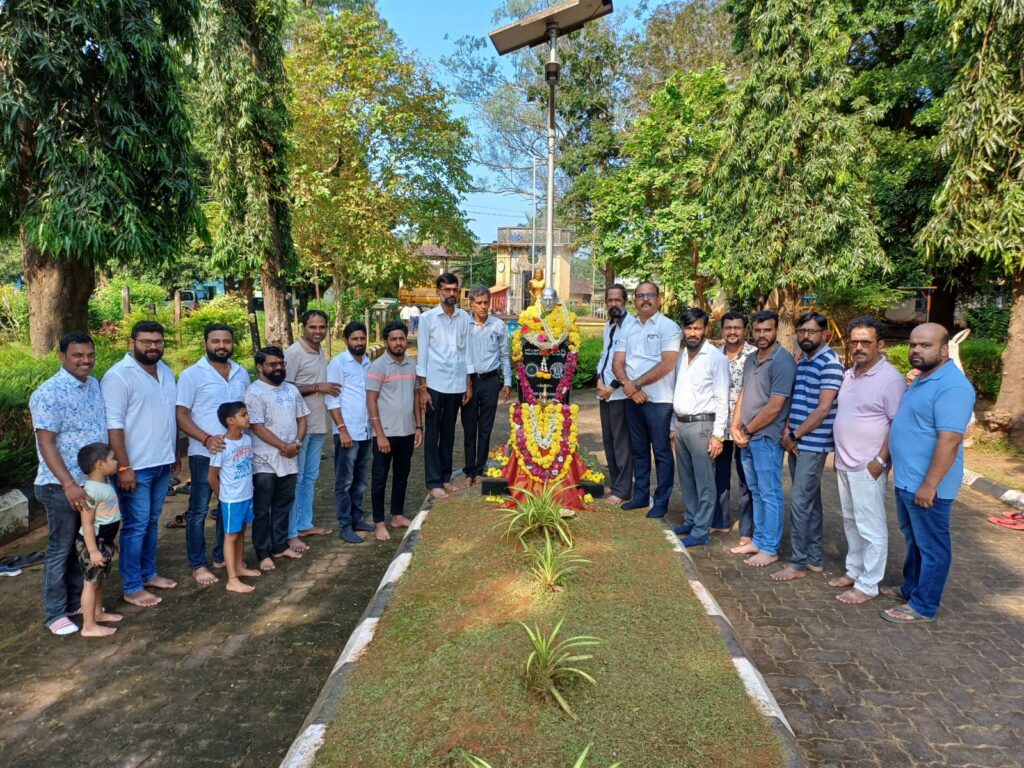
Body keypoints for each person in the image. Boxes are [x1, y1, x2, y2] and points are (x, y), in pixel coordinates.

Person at [883, 323, 975, 623]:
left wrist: (930, 484)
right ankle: (911, 588)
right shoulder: (925, 379)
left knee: (933, 546)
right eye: (913, 345)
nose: (916, 350)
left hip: (929, 487)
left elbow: (950, 440)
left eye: (925, 345)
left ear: (944, 349)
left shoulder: (954, 386)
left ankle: (924, 605)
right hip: (909, 481)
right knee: (915, 539)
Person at [30, 332, 107, 636]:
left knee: (82, 545)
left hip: (90, 483)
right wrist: (68, 484)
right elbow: (47, 443)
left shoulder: (94, 385)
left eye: (89, 355)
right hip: (60, 485)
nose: (85, 360)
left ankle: (78, 601)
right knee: (60, 548)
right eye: (77, 355)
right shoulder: (48, 393)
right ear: (62, 357)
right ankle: (54, 613)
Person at [101, 320, 178, 608]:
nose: (153, 346)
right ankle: (132, 587)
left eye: (157, 341)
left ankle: (148, 574)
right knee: (135, 526)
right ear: (132, 342)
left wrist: (172, 456)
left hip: (161, 463)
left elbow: (166, 417)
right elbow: (114, 426)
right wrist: (123, 467)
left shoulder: (166, 372)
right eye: (146, 341)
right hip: (135, 467)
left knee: (150, 522)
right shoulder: (119, 376)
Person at [830, 316, 907, 605]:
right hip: (844, 462)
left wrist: (880, 459)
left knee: (871, 526)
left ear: (880, 344)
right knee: (851, 521)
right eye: (855, 342)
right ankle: (854, 570)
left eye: (866, 342)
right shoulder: (850, 374)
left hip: (868, 465)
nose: (859, 347)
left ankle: (868, 584)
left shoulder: (891, 380)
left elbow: (896, 424)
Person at [176, 324, 251, 587]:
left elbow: (246, 412)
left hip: (235, 455)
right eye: (216, 341)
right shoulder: (191, 375)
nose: (222, 346)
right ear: (205, 343)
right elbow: (182, 415)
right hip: (203, 453)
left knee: (227, 506)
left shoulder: (242, 372)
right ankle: (198, 564)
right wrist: (206, 439)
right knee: (198, 510)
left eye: (227, 341)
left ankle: (223, 557)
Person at [773, 312, 844, 582]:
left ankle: (797, 563)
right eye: (802, 331)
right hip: (797, 441)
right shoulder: (803, 361)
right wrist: (789, 430)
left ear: (824, 334)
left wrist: (795, 434)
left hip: (812, 444)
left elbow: (824, 408)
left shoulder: (829, 363)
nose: (805, 336)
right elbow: (797, 399)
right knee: (811, 501)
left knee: (800, 502)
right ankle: (814, 558)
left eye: (811, 332)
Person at [730, 311, 797, 567]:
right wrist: (736, 425)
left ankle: (770, 548)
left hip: (766, 438)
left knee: (770, 493)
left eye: (767, 330)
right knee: (756, 491)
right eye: (757, 331)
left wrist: (748, 431)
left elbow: (775, 406)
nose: (762, 335)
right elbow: (745, 393)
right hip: (747, 437)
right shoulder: (750, 359)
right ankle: (758, 540)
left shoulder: (783, 362)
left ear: (776, 330)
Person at [612, 281, 681, 517]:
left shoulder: (668, 327)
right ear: (634, 301)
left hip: (659, 401)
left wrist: (635, 385)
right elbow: (617, 362)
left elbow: (668, 363)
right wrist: (630, 389)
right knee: (639, 450)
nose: (645, 299)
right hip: (632, 399)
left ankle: (661, 501)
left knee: (661, 452)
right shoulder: (627, 328)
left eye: (650, 295)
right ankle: (641, 495)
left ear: (659, 299)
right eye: (640, 296)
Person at [246, 347, 309, 570]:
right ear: (260, 367)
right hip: (264, 459)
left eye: (281, 364)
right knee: (262, 509)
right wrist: (284, 446)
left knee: (283, 504)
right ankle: (263, 553)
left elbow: (302, 419)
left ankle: (280, 546)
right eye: (273, 364)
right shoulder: (254, 392)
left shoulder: (291, 390)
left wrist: (297, 444)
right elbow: (257, 426)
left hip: (290, 457)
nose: (278, 368)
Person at [671, 308, 730, 547]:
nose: (693, 332)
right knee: (686, 478)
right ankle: (691, 519)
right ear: (683, 330)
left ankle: (701, 530)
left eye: (697, 328)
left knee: (704, 481)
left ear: (705, 329)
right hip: (682, 425)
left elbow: (721, 398)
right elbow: (677, 390)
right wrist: (672, 425)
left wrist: (718, 435)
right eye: (689, 328)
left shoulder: (716, 358)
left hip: (703, 426)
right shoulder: (681, 357)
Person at [416, 273, 473, 499]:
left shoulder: (464, 318)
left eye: (454, 290)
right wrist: (423, 388)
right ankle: (433, 482)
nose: (451, 294)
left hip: (456, 383)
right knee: (433, 434)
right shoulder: (428, 319)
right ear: (438, 291)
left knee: (449, 434)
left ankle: (445, 477)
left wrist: (468, 383)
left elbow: (466, 351)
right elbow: (422, 355)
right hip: (434, 384)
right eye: (447, 290)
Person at [284, 310, 336, 550]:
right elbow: (285, 388)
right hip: (299, 428)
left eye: (322, 327)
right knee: (298, 478)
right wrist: (318, 387)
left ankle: (305, 523)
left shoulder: (319, 351)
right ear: (303, 327)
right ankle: (291, 530)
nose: (317, 331)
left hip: (318, 425)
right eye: (313, 327)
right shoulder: (293, 353)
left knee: (311, 477)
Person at [366, 322, 422, 540]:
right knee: (379, 478)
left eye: (401, 338)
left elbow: (416, 397)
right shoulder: (378, 366)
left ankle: (397, 515)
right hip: (385, 435)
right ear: (387, 341)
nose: (398, 343)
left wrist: (419, 426)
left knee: (402, 475)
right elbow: (371, 401)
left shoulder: (411, 364)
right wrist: (379, 434)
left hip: (407, 432)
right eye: (393, 339)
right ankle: (379, 522)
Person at [326, 322, 373, 543]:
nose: (359, 343)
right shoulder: (338, 363)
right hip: (347, 432)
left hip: (365, 431)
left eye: (362, 338)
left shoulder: (368, 363)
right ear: (346, 340)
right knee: (344, 482)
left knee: (360, 480)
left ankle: (357, 518)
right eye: (355, 339)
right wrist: (342, 430)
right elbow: (332, 400)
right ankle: (345, 525)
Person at [208, 402, 261, 593]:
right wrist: (223, 497)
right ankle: (232, 579)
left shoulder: (246, 440)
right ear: (231, 421)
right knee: (230, 536)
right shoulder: (222, 446)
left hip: (246, 494)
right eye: (243, 415)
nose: (248, 418)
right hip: (231, 499)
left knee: (240, 532)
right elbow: (212, 476)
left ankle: (239, 566)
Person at [462, 285, 512, 486]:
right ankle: (468, 470)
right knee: (469, 428)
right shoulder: (464, 325)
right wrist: (466, 381)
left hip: (491, 381)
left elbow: (505, 355)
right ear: (471, 304)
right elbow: (460, 354)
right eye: (479, 303)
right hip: (469, 381)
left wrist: (507, 381)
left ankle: (480, 469)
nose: (483, 307)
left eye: (486, 302)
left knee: (485, 428)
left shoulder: (498, 325)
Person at [713, 312, 756, 542]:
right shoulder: (714, 355)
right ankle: (719, 521)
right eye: (728, 327)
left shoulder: (754, 355)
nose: (732, 332)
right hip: (719, 426)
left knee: (746, 478)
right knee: (718, 476)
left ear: (744, 330)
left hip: (744, 427)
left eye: (737, 327)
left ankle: (747, 530)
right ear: (722, 330)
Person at [74, 443, 123, 637]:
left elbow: (108, 516)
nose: (116, 461)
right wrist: (92, 551)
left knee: (99, 580)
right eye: (113, 459)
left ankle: (98, 613)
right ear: (100, 464)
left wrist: (113, 539)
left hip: (105, 541)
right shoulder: (92, 490)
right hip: (93, 543)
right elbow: (87, 524)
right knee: (90, 583)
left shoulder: (105, 484)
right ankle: (88, 626)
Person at [596, 284, 639, 504]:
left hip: (620, 394)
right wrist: (599, 380)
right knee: (609, 440)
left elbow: (628, 363)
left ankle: (623, 490)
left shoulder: (631, 327)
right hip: (605, 393)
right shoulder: (609, 326)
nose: (614, 304)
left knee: (622, 442)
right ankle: (615, 484)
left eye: (618, 300)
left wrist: (611, 386)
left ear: (625, 301)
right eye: (610, 300)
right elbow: (605, 357)